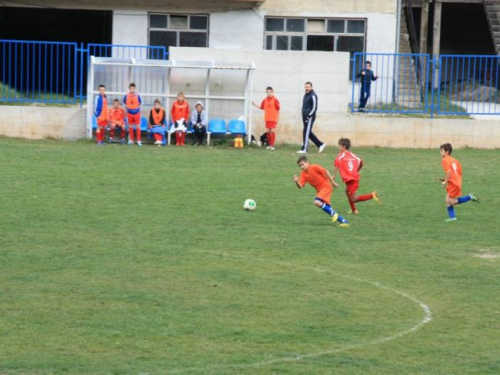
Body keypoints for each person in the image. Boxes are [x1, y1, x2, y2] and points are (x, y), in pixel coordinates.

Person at [294, 156, 349, 228]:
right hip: (320, 190)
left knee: (316, 202)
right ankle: (344, 222)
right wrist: (296, 181)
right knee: (328, 208)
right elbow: (300, 186)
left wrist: (333, 183)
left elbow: (326, 171)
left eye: (302, 164)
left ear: (307, 162)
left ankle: (335, 215)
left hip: (326, 187)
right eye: (300, 166)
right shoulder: (303, 174)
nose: (301, 167)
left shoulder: (314, 167)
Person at [333, 138, 382, 214]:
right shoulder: (353, 155)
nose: (338, 148)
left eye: (339, 146)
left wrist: (334, 175)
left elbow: (336, 164)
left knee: (354, 199)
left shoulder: (340, 156)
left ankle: (372, 195)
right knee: (347, 191)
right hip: (354, 177)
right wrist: (356, 171)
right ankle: (354, 210)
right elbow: (361, 162)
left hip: (350, 180)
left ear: (344, 146)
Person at [440, 143, 479, 222]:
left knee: (451, 201)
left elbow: (449, 172)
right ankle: (452, 217)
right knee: (447, 199)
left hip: (454, 183)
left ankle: (469, 197)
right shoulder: (454, 160)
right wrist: (448, 179)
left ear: (447, 152)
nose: (440, 152)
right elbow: (459, 172)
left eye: (442, 151)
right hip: (456, 182)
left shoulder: (444, 160)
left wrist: (445, 181)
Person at [298, 82, 326, 154]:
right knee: (308, 133)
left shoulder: (313, 95)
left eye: (308, 87)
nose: (307, 88)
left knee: (306, 133)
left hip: (309, 117)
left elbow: (314, 107)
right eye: (306, 87)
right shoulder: (305, 95)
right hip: (305, 117)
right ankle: (321, 144)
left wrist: (309, 116)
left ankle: (305, 149)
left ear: (311, 87)